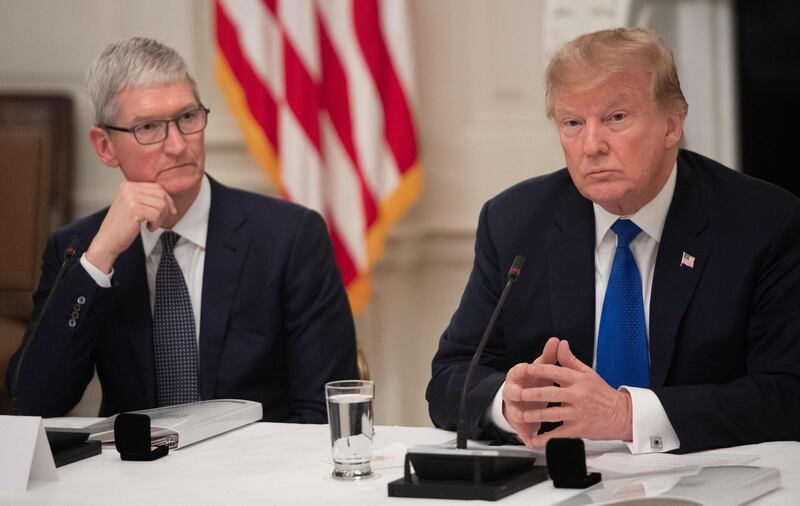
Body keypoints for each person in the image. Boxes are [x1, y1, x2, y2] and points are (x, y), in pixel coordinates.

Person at [426, 27, 800, 453]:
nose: (591, 145)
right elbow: (452, 375)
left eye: (615, 118)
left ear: (672, 125)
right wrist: (509, 404)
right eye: (572, 123)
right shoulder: (514, 221)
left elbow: (787, 393)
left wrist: (626, 415)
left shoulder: (763, 223)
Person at [5, 37, 358, 422]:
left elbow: (325, 411)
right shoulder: (78, 248)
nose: (177, 145)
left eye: (188, 118)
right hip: (134, 475)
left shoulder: (289, 238)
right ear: (105, 147)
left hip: (256, 475)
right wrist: (99, 260)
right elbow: (32, 403)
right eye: (149, 127)